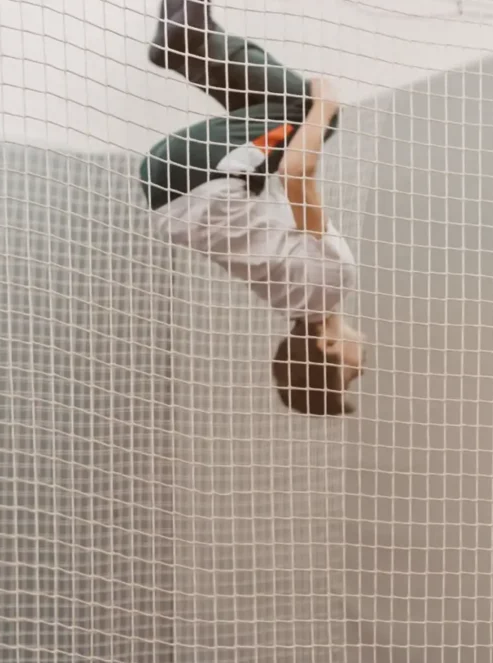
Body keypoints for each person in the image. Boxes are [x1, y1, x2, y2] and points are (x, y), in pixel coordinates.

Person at [141, 0, 366, 416]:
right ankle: (186, 43)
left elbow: (298, 173)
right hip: (165, 192)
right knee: (277, 120)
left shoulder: (332, 282)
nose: (363, 371)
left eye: (351, 374)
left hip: (197, 173)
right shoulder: (289, 299)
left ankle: (189, 38)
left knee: (308, 110)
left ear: (327, 345)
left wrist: (328, 104)